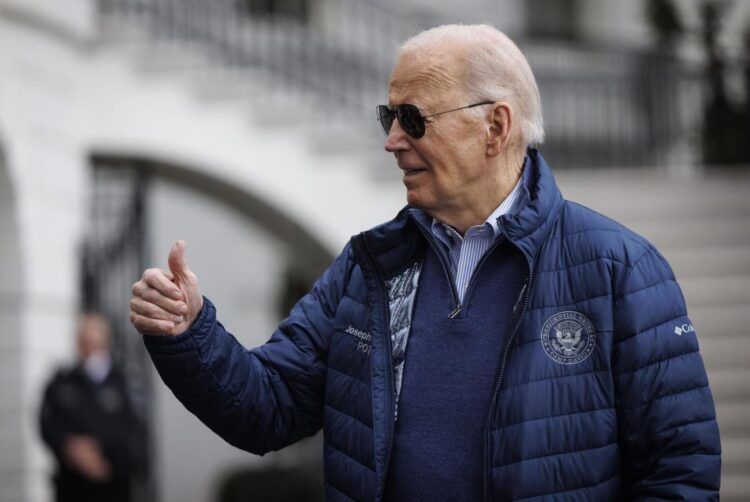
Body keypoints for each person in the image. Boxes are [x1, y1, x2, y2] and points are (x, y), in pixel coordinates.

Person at [130, 24, 721, 501]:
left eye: (413, 118)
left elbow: (679, 473)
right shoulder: (368, 267)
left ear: (496, 126)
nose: (392, 141)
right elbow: (269, 409)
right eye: (389, 119)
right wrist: (190, 333)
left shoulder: (621, 269)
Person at [40, 313, 143, 502]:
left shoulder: (124, 382)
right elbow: (47, 424)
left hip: (114, 487)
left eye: (94, 340)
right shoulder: (62, 382)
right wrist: (71, 447)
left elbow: (135, 432)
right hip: (72, 488)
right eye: (83, 340)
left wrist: (104, 460)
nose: (88, 346)